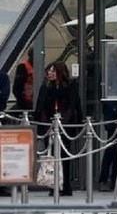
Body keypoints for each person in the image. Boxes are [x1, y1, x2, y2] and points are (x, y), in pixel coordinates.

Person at [34, 61, 82, 196]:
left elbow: (72, 106)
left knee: (64, 156)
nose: (50, 74)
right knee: (52, 155)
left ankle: (65, 184)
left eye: (53, 71)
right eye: (48, 71)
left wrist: (64, 123)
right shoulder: (46, 87)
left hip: (65, 126)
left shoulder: (70, 86)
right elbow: (41, 107)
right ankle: (53, 184)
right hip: (49, 126)